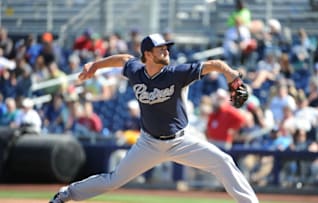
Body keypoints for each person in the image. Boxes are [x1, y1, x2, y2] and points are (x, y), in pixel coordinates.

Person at [49, 33, 258, 203]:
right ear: (148, 55)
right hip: (148, 144)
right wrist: (96, 65)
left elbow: (217, 65)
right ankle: (66, 194)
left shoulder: (177, 73)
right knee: (113, 180)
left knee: (223, 161)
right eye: (161, 48)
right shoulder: (136, 71)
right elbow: (123, 59)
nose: (166, 50)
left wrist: (233, 77)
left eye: (166, 47)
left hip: (181, 141)